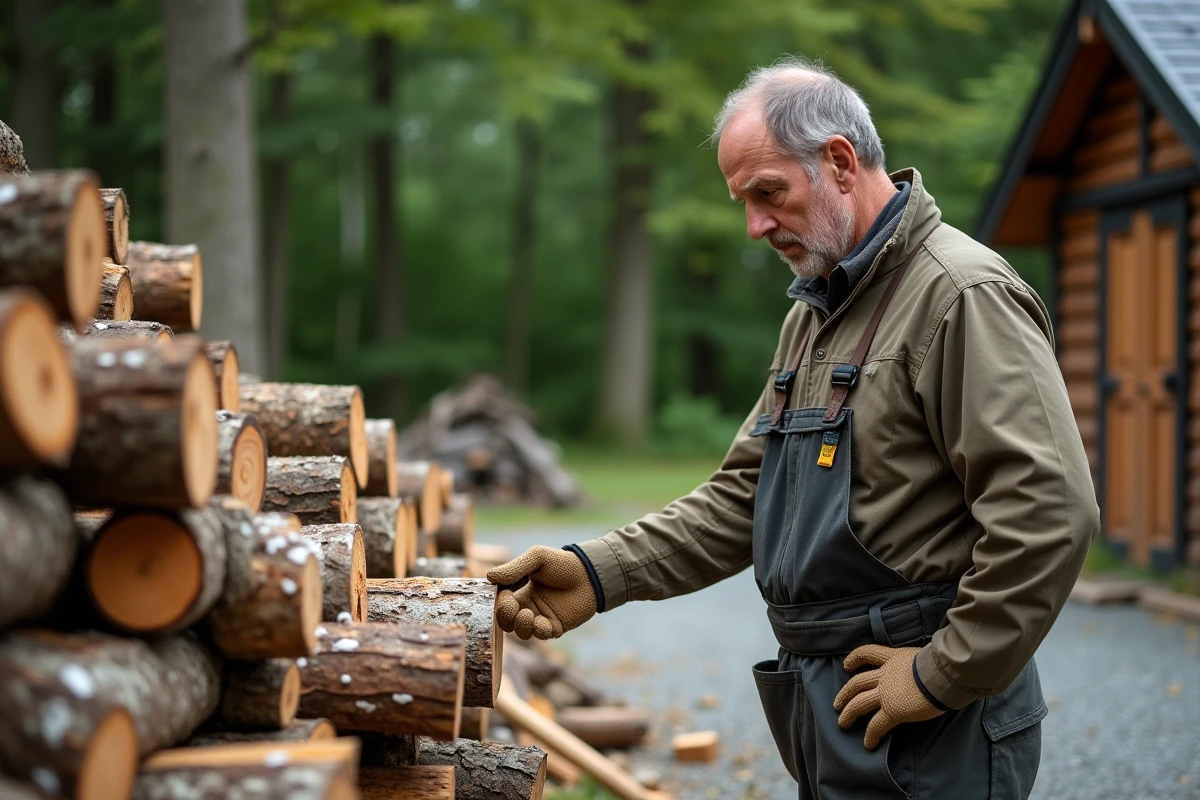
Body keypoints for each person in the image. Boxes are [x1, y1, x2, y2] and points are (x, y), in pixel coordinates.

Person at [487, 57, 1099, 799]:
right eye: (743, 201)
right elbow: (743, 496)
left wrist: (943, 674)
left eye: (768, 193)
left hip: (930, 726)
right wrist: (596, 571)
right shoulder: (815, 314)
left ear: (839, 161)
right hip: (828, 706)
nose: (754, 226)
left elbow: (1049, 509)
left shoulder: (960, 295)